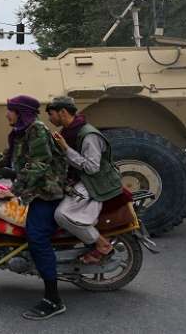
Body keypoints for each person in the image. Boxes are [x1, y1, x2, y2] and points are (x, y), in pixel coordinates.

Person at [0, 95, 68, 320]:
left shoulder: (37, 130)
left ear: (21, 112)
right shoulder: (22, 132)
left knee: (36, 237)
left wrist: (14, 190)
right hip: (32, 189)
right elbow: (8, 155)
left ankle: (53, 300)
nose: (7, 114)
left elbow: (39, 164)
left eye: (10, 110)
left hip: (46, 192)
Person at [46, 97, 123, 264]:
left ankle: (101, 243)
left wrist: (66, 149)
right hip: (78, 180)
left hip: (94, 183)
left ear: (63, 112)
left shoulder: (88, 135)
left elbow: (92, 168)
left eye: (51, 114)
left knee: (61, 214)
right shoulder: (68, 132)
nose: (49, 119)